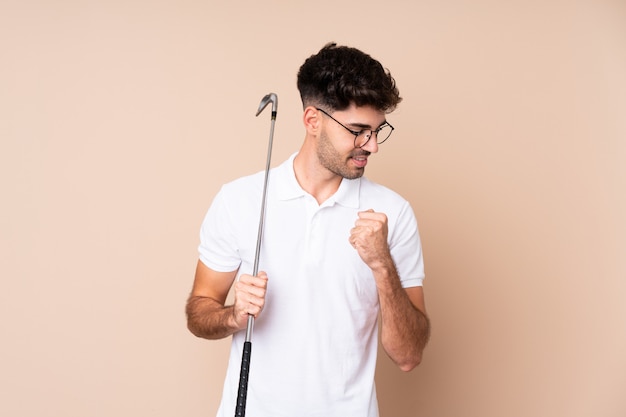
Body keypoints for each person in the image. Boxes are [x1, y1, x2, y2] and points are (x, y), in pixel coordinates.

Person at [186, 42, 430, 417]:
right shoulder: (240, 200)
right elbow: (199, 312)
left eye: (377, 131)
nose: (373, 146)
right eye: (358, 130)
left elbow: (409, 355)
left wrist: (382, 265)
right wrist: (234, 315)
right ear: (313, 121)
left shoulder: (392, 213)